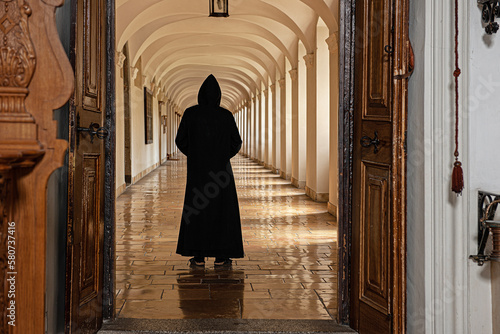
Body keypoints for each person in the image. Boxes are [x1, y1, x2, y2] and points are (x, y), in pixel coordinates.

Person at [175, 74, 244, 267]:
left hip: (197, 171)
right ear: (218, 96)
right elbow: (236, 143)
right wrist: (221, 156)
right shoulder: (226, 115)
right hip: (221, 173)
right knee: (222, 211)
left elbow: (180, 141)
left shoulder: (190, 114)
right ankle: (221, 256)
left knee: (197, 209)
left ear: (200, 94)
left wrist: (196, 154)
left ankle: (198, 256)